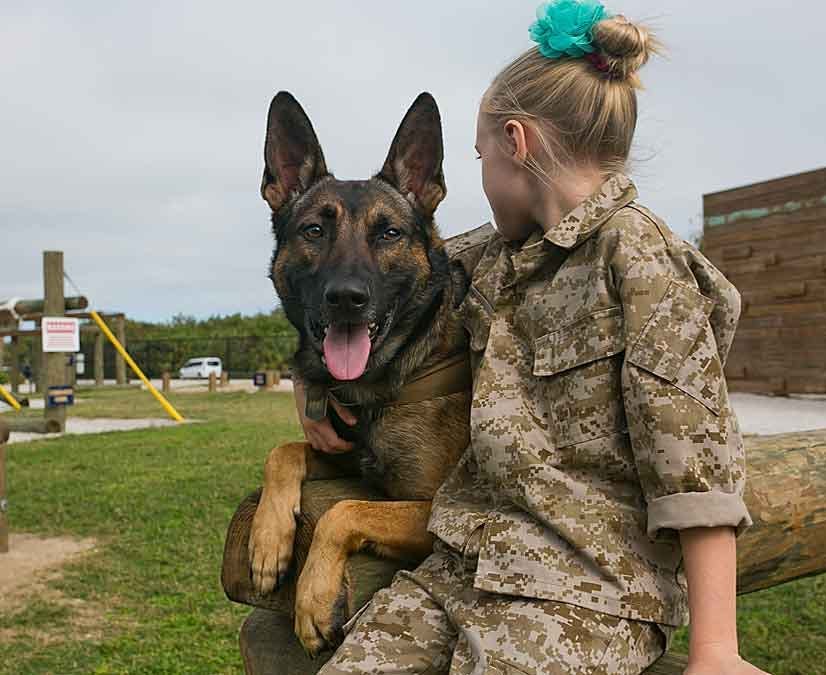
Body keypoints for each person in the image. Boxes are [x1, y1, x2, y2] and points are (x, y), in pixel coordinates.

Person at [296, 2, 769, 673]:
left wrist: (717, 648)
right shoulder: (492, 255)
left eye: (479, 154)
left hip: (584, 593)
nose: (479, 174)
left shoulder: (638, 261)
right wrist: (311, 388)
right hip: (464, 565)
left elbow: (694, 463)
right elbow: (374, 286)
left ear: (514, 143)